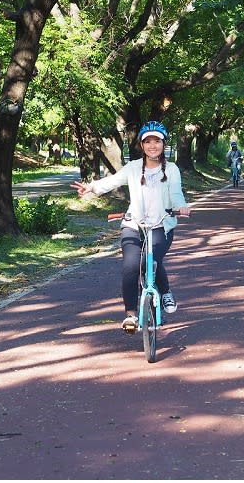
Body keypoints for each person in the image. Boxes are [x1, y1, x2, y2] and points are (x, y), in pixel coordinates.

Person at [71, 121, 191, 333]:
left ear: (164, 144)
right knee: (130, 267)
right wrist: (91, 187)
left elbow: (175, 193)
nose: (152, 145)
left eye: (157, 141)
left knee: (150, 260)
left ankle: (165, 291)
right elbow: (113, 181)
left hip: (161, 225)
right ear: (141, 144)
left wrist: (180, 207)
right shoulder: (134, 168)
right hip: (134, 224)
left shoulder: (171, 169)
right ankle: (131, 316)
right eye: (148, 141)